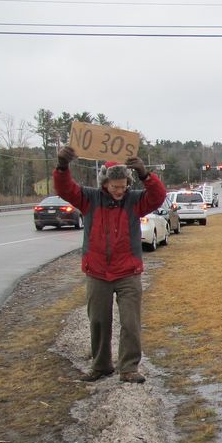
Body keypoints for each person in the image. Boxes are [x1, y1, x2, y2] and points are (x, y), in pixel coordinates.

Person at [54, 146, 166, 383]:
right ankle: (102, 365)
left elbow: (158, 197)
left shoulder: (134, 200)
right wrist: (62, 167)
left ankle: (129, 368)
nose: (120, 190)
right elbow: (65, 189)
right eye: (115, 186)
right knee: (98, 321)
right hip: (97, 272)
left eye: (123, 185)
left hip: (128, 272)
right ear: (104, 184)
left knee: (130, 323)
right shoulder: (89, 198)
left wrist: (146, 175)